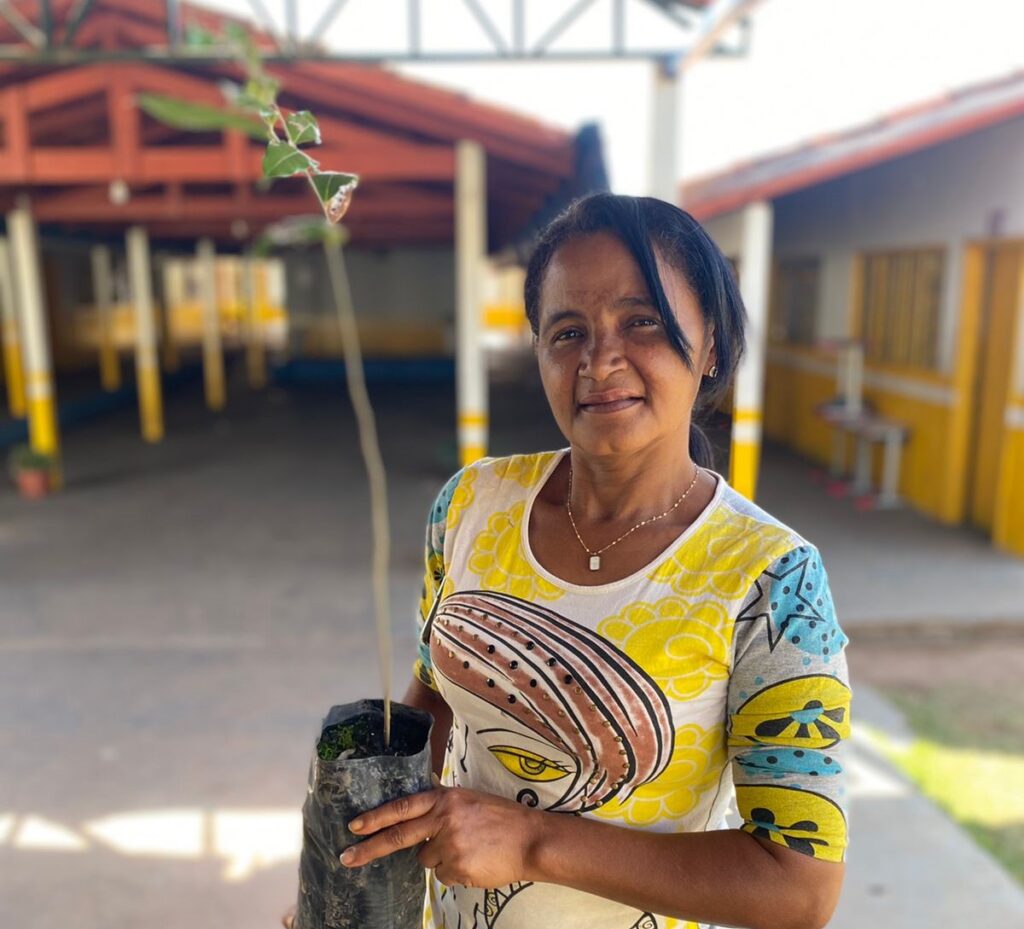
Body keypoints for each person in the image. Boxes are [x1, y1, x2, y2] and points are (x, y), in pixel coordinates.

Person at [327, 194, 850, 929]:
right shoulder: (471, 505)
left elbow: (799, 889)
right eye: (567, 332)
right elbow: (434, 701)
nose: (599, 361)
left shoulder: (770, 580)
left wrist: (532, 841)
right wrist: (348, 895)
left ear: (711, 345)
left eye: (643, 321)